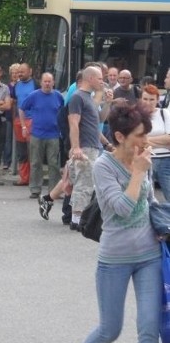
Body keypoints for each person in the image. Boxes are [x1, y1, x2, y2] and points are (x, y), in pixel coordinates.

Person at [70, 103, 162, 343]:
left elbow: (148, 201)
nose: (145, 141)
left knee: (149, 327)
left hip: (149, 255)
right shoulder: (103, 167)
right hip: (114, 259)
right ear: (120, 137)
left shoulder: (144, 158)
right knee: (111, 329)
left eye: (146, 134)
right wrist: (137, 173)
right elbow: (121, 208)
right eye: (139, 135)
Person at [67, 65, 107, 229]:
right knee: (84, 183)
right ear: (90, 78)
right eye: (99, 79)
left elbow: (99, 120)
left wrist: (108, 102)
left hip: (93, 145)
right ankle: (77, 219)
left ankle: (78, 217)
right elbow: (73, 123)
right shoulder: (78, 97)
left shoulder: (89, 98)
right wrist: (76, 147)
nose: (102, 82)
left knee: (86, 182)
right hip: (85, 146)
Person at [19, 72, 64, 199]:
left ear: (53, 82)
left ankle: (54, 190)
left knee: (53, 163)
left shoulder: (58, 96)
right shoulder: (34, 96)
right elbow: (21, 109)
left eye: (50, 81)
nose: (47, 84)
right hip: (37, 134)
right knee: (35, 162)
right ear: (41, 82)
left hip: (54, 134)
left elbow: (64, 111)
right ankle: (35, 189)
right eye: (45, 81)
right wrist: (23, 126)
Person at [12, 62, 38, 186]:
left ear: (30, 71)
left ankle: (34, 178)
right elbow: (13, 101)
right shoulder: (16, 85)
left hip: (32, 120)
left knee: (32, 150)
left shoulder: (36, 84)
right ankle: (24, 178)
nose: (20, 74)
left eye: (23, 71)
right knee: (21, 150)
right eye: (19, 72)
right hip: (18, 120)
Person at [141, 84, 170, 193]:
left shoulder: (164, 113)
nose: (148, 102)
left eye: (151, 99)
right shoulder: (137, 116)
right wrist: (162, 141)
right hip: (145, 160)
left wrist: (147, 140)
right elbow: (137, 141)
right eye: (145, 99)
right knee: (147, 199)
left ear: (157, 100)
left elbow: (169, 138)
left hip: (166, 160)